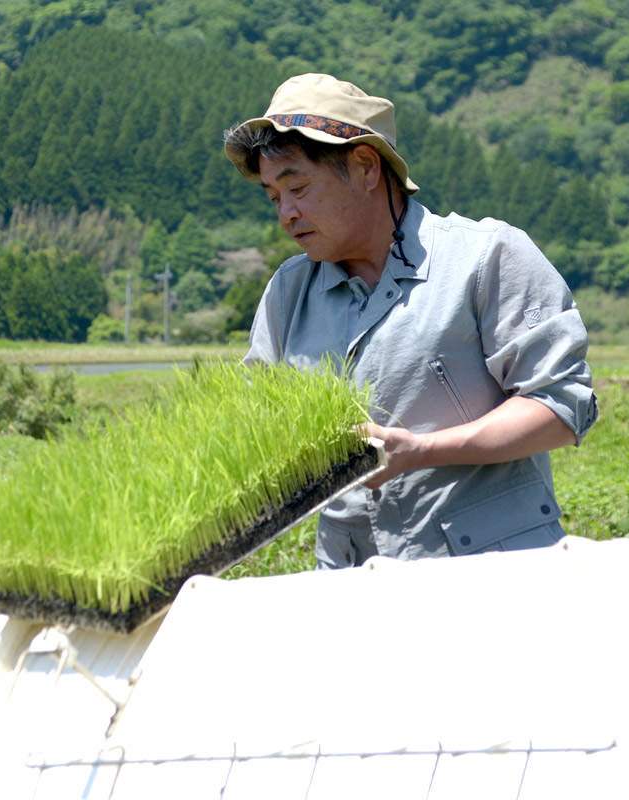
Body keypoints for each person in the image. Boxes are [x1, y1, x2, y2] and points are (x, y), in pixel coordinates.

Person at [224, 73, 598, 569]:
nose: (286, 215)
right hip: (352, 576)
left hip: (491, 569)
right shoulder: (289, 292)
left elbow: (559, 407)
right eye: (274, 197)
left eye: (298, 188)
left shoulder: (485, 258)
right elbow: (257, 429)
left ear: (365, 167)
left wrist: (420, 450)